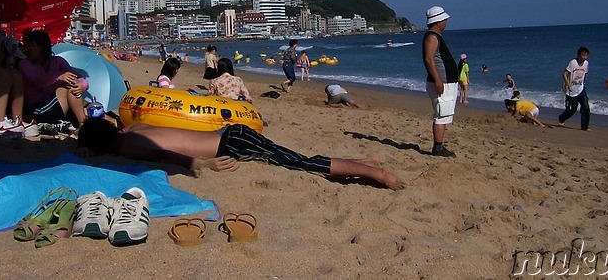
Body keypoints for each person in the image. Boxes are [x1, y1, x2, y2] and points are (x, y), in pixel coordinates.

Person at [77, 118, 405, 190]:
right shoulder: (132, 130)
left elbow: (164, 154)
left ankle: (377, 175)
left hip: (231, 143)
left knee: (299, 163)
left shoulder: (128, 146)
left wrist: (199, 164)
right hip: (228, 135)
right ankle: (364, 163)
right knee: (292, 156)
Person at [19, 30, 86, 125]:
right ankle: (83, 124)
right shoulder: (25, 64)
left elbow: (78, 77)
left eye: (30, 46)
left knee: (73, 85)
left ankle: (83, 123)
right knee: (67, 86)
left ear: (41, 47)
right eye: (25, 46)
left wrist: (82, 85)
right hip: (38, 110)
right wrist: (59, 76)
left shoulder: (57, 61)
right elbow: (38, 80)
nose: (26, 50)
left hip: (52, 107)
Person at [422, 6, 459, 158]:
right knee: (442, 114)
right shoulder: (432, 37)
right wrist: (438, 80)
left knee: (444, 113)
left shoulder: (435, 36)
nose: (446, 22)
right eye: (444, 19)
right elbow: (429, 58)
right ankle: (438, 147)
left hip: (445, 81)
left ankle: (439, 145)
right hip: (442, 81)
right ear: (438, 21)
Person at [558, 47, 591, 130]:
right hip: (571, 89)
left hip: (581, 88)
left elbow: (585, 74)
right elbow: (564, 73)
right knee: (572, 109)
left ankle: (584, 127)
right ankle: (562, 118)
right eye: (583, 55)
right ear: (579, 55)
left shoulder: (586, 63)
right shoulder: (573, 63)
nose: (584, 58)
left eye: (586, 56)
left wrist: (584, 83)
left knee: (586, 108)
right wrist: (567, 84)